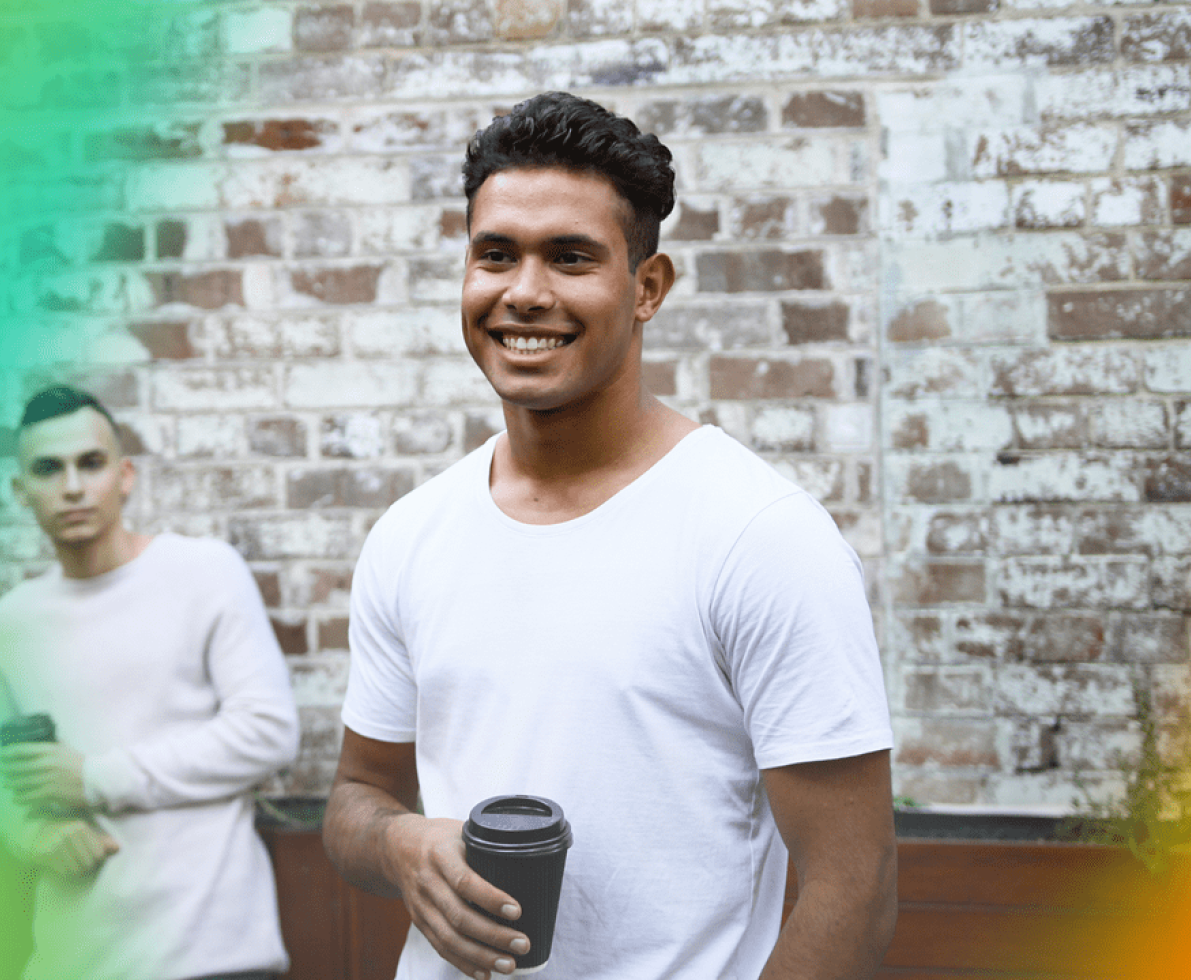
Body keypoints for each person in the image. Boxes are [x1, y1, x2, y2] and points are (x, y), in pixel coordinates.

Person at [323, 91, 897, 980]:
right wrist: (400, 844)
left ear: (647, 289)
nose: (524, 291)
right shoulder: (411, 534)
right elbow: (357, 798)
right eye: (496, 254)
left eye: (570, 258)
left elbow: (851, 890)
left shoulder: (758, 536)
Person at [0, 385, 300, 980]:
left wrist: (95, 778)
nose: (72, 486)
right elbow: (11, 781)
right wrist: (30, 833)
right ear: (20, 492)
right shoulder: (14, 621)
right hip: (72, 959)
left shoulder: (203, 572)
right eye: (48, 469)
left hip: (213, 953)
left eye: (90, 463)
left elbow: (268, 732)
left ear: (125, 475)